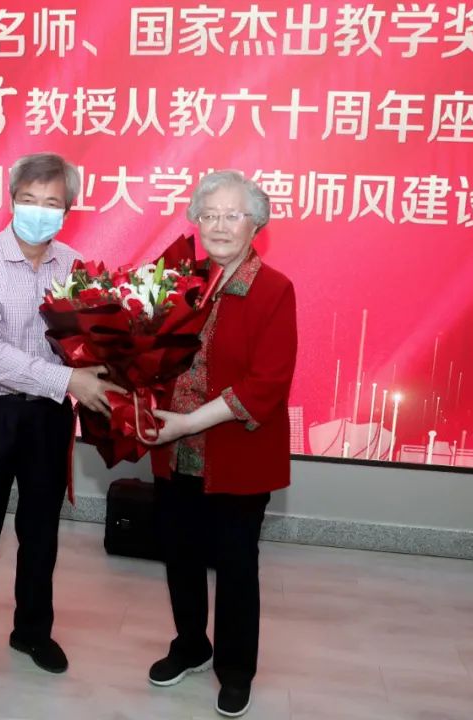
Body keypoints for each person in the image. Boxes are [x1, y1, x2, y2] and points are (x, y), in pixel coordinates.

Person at [0, 152, 124, 718]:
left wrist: (111, 366)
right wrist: (69, 380)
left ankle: (31, 632)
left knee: (41, 534)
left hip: (49, 417)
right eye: (29, 200)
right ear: (12, 200)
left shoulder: (77, 267)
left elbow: (90, 344)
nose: (39, 211)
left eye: (52, 203)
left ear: (68, 209)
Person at [143, 170, 298, 718]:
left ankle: (235, 670)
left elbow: (266, 384)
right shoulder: (179, 281)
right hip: (175, 452)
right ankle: (191, 645)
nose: (220, 225)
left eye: (233, 215)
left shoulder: (274, 289)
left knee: (235, 565)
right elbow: (150, 355)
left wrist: (188, 423)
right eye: (209, 215)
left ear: (256, 224)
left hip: (237, 455)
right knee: (180, 554)